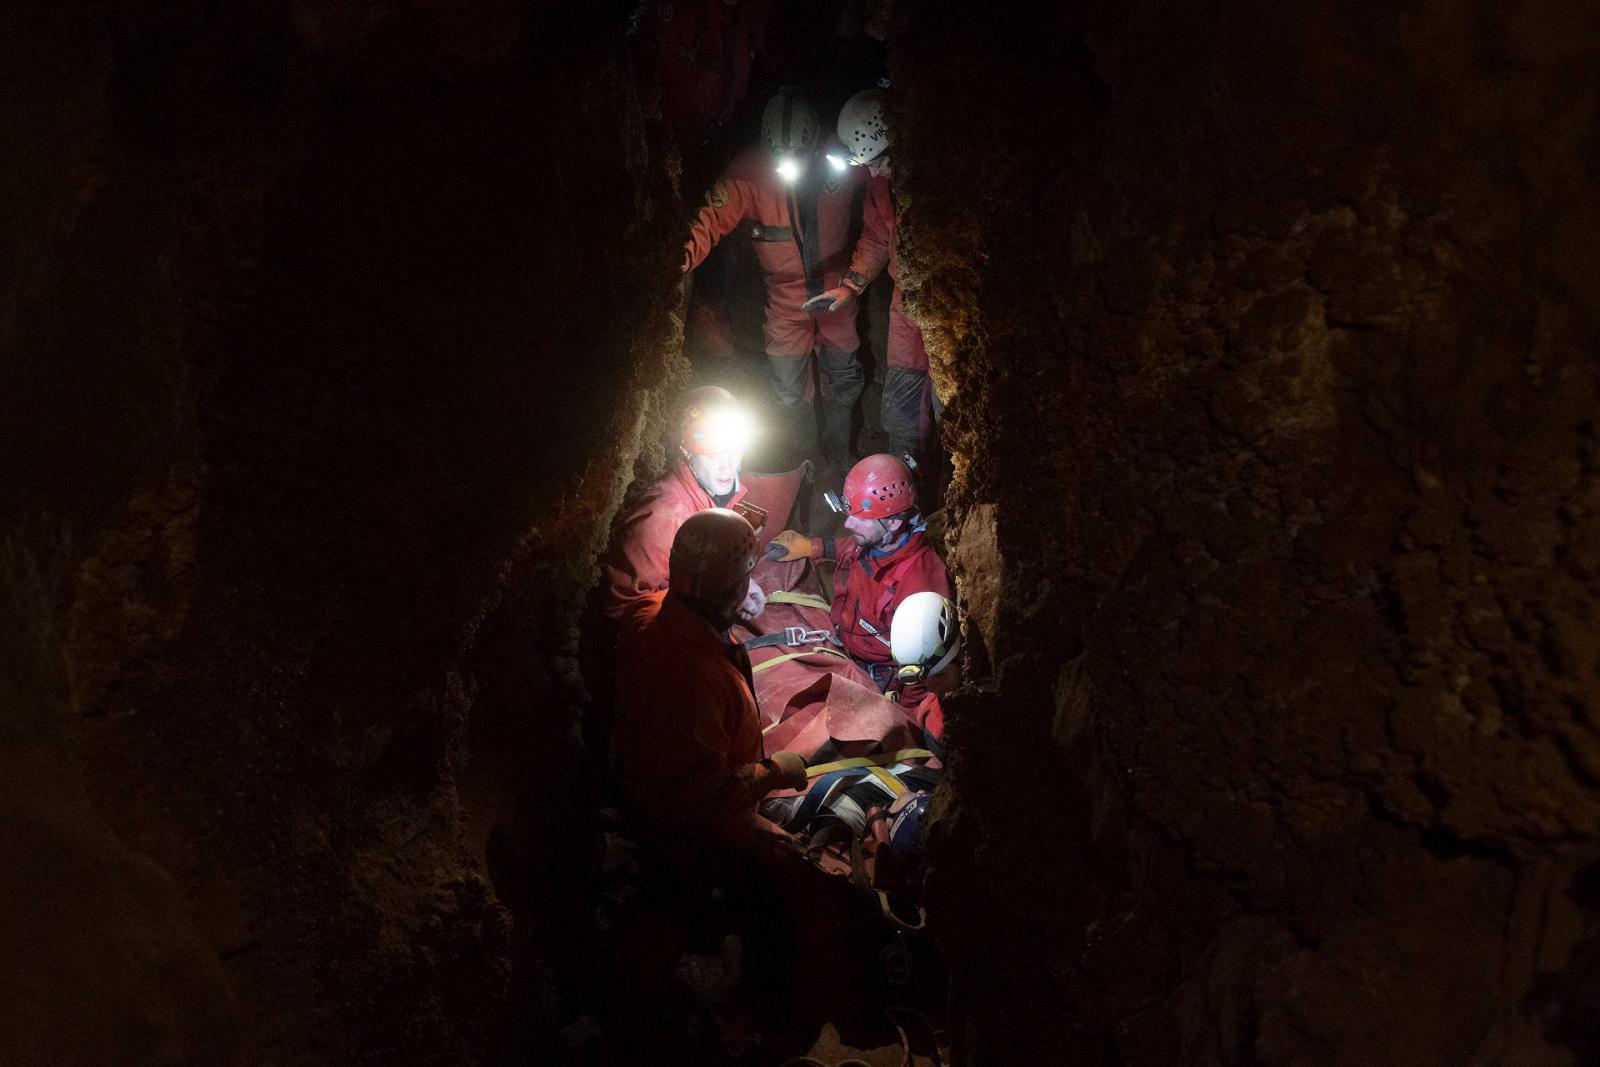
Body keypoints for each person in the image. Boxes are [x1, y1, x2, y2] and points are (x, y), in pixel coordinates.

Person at [683, 88, 867, 471]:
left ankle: (841, 457)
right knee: (788, 390)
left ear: (817, 138)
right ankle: (807, 464)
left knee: (843, 380)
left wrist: (854, 282)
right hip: (786, 300)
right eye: (781, 161)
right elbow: (709, 222)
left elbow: (884, 198)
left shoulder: (844, 157)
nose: (790, 168)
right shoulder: (749, 173)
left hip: (839, 291)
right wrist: (676, 261)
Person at [614, 508, 809, 839]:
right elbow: (700, 799)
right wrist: (772, 773)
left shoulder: (652, 610)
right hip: (701, 830)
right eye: (744, 580)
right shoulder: (695, 679)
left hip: (652, 787)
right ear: (733, 587)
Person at [804, 88, 936, 469]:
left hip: (945, 310)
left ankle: (951, 489)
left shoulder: (938, 175)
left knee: (953, 408)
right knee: (900, 407)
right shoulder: (880, 183)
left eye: (880, 160)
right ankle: (901, 490)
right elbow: (878, 236)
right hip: (906, 304)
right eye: (867, 164)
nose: (873, 171)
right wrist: (850, 287)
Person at [763, 453, 951, 688]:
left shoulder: (919, 587)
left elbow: (926, 675)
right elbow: (849, 549)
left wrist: (900, 707)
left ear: (893, 522)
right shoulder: (880, 540)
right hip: (846, 644)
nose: (848, 524)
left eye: (859, 518)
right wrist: (812, 547)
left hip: (882, 676)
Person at [600, 386, 767, 621]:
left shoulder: (714, 490)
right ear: (686, 452)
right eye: (713, 456)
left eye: (733, 453)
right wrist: (714, 601)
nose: (727, 467)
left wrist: (739, 584)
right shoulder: (662, 518)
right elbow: (622, 608)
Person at [887, 590, 961, 743]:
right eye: (923, 681)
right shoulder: (929, 713)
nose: (931, 687)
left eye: (939, 675)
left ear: (960, 655)